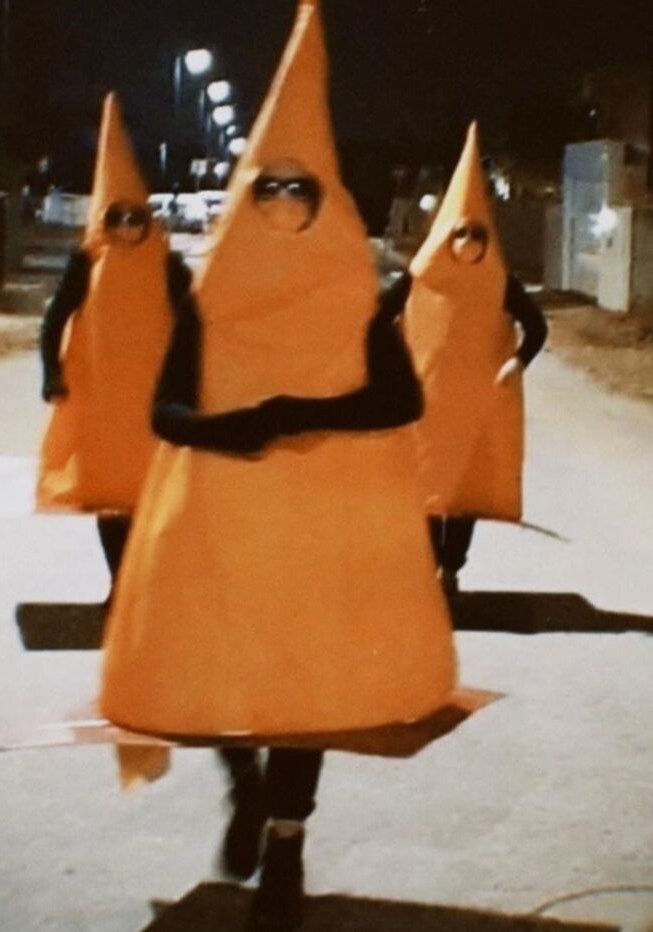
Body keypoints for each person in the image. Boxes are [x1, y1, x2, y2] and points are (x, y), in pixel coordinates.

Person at [100, 5, 456, 930]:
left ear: (326, 201)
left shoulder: (367, 304)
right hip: (222, 525)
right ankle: (245, 787)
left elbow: (402, 402)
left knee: (309, 693)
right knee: (220, 675)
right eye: (269, 189)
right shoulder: (206, 306)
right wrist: (239, 432)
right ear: (247, 197)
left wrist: (301, 413)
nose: (285, 206)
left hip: (322, 529)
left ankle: (287, 840)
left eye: (302, 191)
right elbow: (165, 413)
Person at [38, 93, 181, 601]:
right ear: (104, 220)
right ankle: (119, 585)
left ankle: (139, 582)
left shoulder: (168, 267)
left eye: (134, 218)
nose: (125, 227)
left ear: (147, 219)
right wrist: (51, 375)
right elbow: (55, 319)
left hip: (153, 398)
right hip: (102, 396)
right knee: (108, 495)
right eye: (116, 217)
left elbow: (195, 325)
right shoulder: (86, 264)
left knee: (148, 494)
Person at [404, 123, 548, 595]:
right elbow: (379, 317)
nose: (470, 243)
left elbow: (537, 325)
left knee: (462, 491)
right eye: (462, 234)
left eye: (478, 235)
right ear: (448, 236)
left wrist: (517, 360)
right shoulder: (420, 277)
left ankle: (451, 568)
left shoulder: (500, 283)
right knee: (428, 489)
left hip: (473, 400)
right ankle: (428, 568)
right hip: (426, 399)